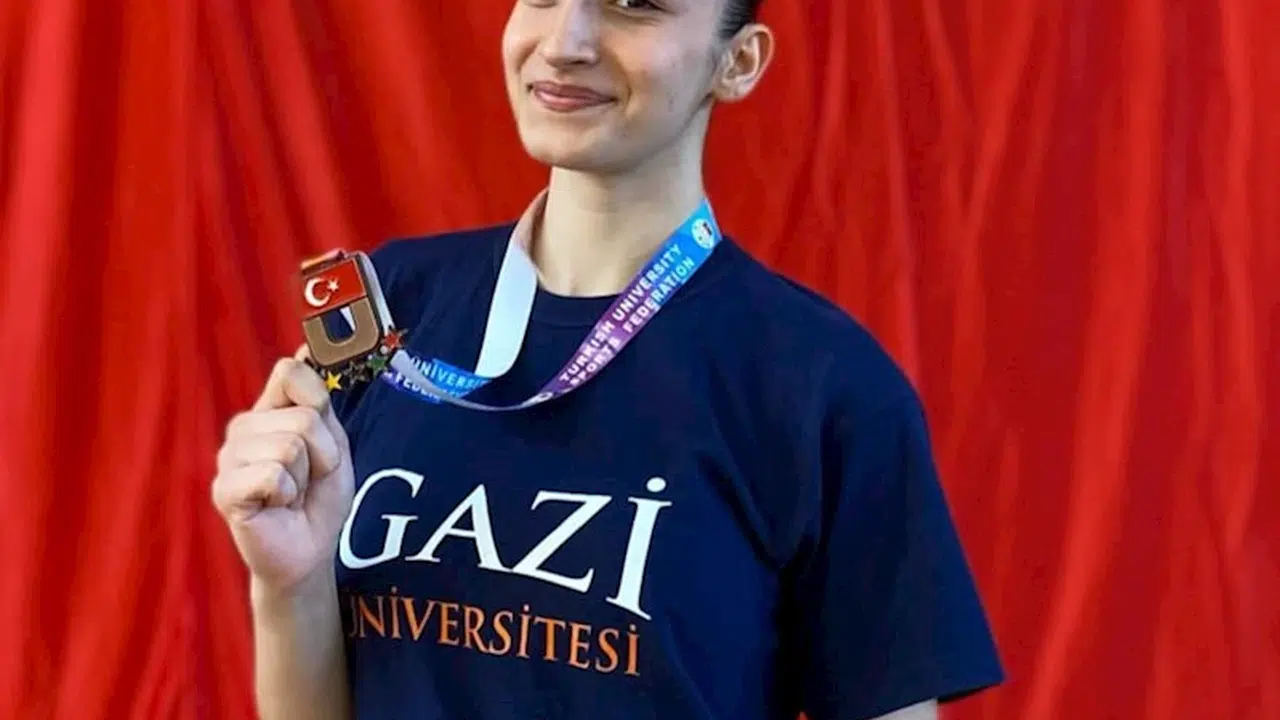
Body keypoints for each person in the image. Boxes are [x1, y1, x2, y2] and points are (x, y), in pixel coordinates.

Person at [211, 0, 1005, 718]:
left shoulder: (823, 387)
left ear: (739, 62)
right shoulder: (391, 310)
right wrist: (289, 587)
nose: (566, 42)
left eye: (633, 5)